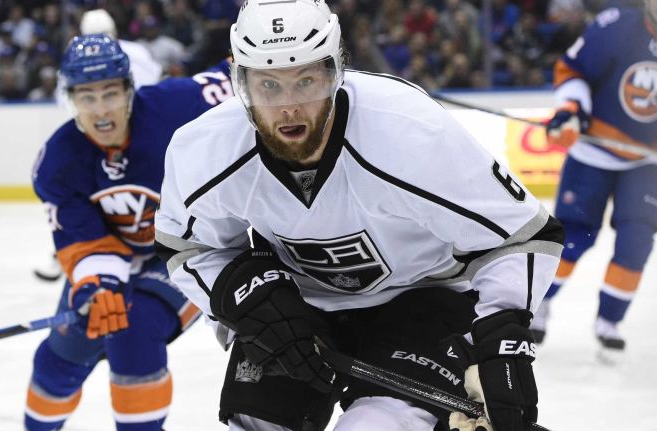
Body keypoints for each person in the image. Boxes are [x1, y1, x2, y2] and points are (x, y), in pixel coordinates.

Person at [154, 1, 564, 430]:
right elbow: (189, 247)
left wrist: (501, 338)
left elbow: (520, 235)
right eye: (269, 86)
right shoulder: (206, 148)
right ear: (241, 81)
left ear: (335, 72)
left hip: (426, 300)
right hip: (298, 306)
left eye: (305, 81)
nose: (289, 107)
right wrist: (247, 297)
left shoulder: (408, 129)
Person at [25, 34, 232, 431]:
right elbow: (85, 239)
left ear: (129, 91)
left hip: (185, 253)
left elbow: (238, 76)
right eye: (87, 97)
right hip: (116, 252)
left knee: (133, 330)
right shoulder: (58, 161)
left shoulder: (175, 106)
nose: (101, 109)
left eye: (110, 93)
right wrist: (99, 284)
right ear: (71, 100)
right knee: (62, 356)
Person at [531, 0, 657, 352]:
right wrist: (570, 112)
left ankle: (610, 320)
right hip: (593, 153)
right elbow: (573, 70)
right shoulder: (615, 26)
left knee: (637, 241)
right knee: (573, 237)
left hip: (647, 160)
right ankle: (540, 302)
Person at [36, 8, 167, 282]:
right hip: (118, 136)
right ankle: (80, 249)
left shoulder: (83, 58)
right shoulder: (135, 52)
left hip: (131, 136)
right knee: (83, 203)